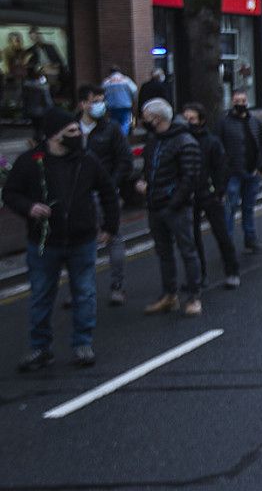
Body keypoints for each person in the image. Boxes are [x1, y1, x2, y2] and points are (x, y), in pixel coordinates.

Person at [4, 108, 119, 371]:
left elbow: (108, 191)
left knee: (85, 292)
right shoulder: (30, 161)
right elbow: (11, 193)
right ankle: (40, 348)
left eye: (77, 130)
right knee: (41, 295)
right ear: (54, 135)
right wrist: (30, 207)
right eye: (72, 131)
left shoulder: (87, 160)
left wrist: (110, 226)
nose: (78, 135)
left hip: (82, 240)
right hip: (45, 242)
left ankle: (82, 344)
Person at [136, 99, 204, 317]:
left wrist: (174, 202)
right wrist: (143, 182)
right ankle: (169, 295)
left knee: (187, 250)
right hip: (155, 204)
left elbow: (190, 177)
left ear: (156, 118)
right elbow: (149, 168)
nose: (142, 121)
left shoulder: (185, 141)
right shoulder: (154, 140)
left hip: (175, 207)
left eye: (145, 117)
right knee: (163, 251)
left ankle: (194, 297)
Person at [76, 84, 133, 306]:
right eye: (94, 101)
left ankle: (117, 286)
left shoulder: (111, 129)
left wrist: (110, 184)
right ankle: (80, 288)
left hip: (105, 193)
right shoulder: (71, 128)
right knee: (79, 242)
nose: (100, 106)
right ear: (83, 104)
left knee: (114, 237)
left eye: (101, 101)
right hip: (78, 195)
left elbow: (125, 160)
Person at [182, 103, 240, 290]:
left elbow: (221, 167)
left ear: (201, 120)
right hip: (190, 194)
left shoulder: (212, 142)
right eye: (185, 119)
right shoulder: (182, 141)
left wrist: (219, 191)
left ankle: (232, 271)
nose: (188, 122)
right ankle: (199, 275)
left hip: (209, 193)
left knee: (221, 233)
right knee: (193, 238)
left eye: (191, 119)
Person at [217, 90, 262, 254]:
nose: (240, 103)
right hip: (233, 173)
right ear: (232, 102)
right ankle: (227, 244)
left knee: (249, 208)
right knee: (230, 209)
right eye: (237, 100)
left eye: (243, 100)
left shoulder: (255, 122)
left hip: (252, 172)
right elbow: (218, 148)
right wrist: (225, 168)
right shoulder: (224, 123)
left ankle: (251, 239)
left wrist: (260, 166)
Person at [101, 66, 138, 135]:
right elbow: (134, 90)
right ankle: (123, 137)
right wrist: (133, 100)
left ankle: (116, 138)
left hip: (112, 106)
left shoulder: (106, 82)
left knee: (113, 123)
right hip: (125, 105)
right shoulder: (126, 80)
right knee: (125, 122)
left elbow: (102, 94)